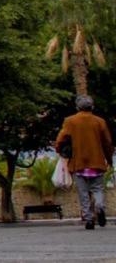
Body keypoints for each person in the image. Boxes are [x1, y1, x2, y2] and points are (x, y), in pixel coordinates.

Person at [54, 94, 113, 230]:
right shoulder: (99, 121)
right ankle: (99, 206)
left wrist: (60, 151)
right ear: (92, 107)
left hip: (78, 164)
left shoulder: (70, 121)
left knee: (83, 192)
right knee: (98, 189)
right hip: (96, 163)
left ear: (77, 107)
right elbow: (108, 143)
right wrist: (109, 160)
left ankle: (89, 219)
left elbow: (61, 139)